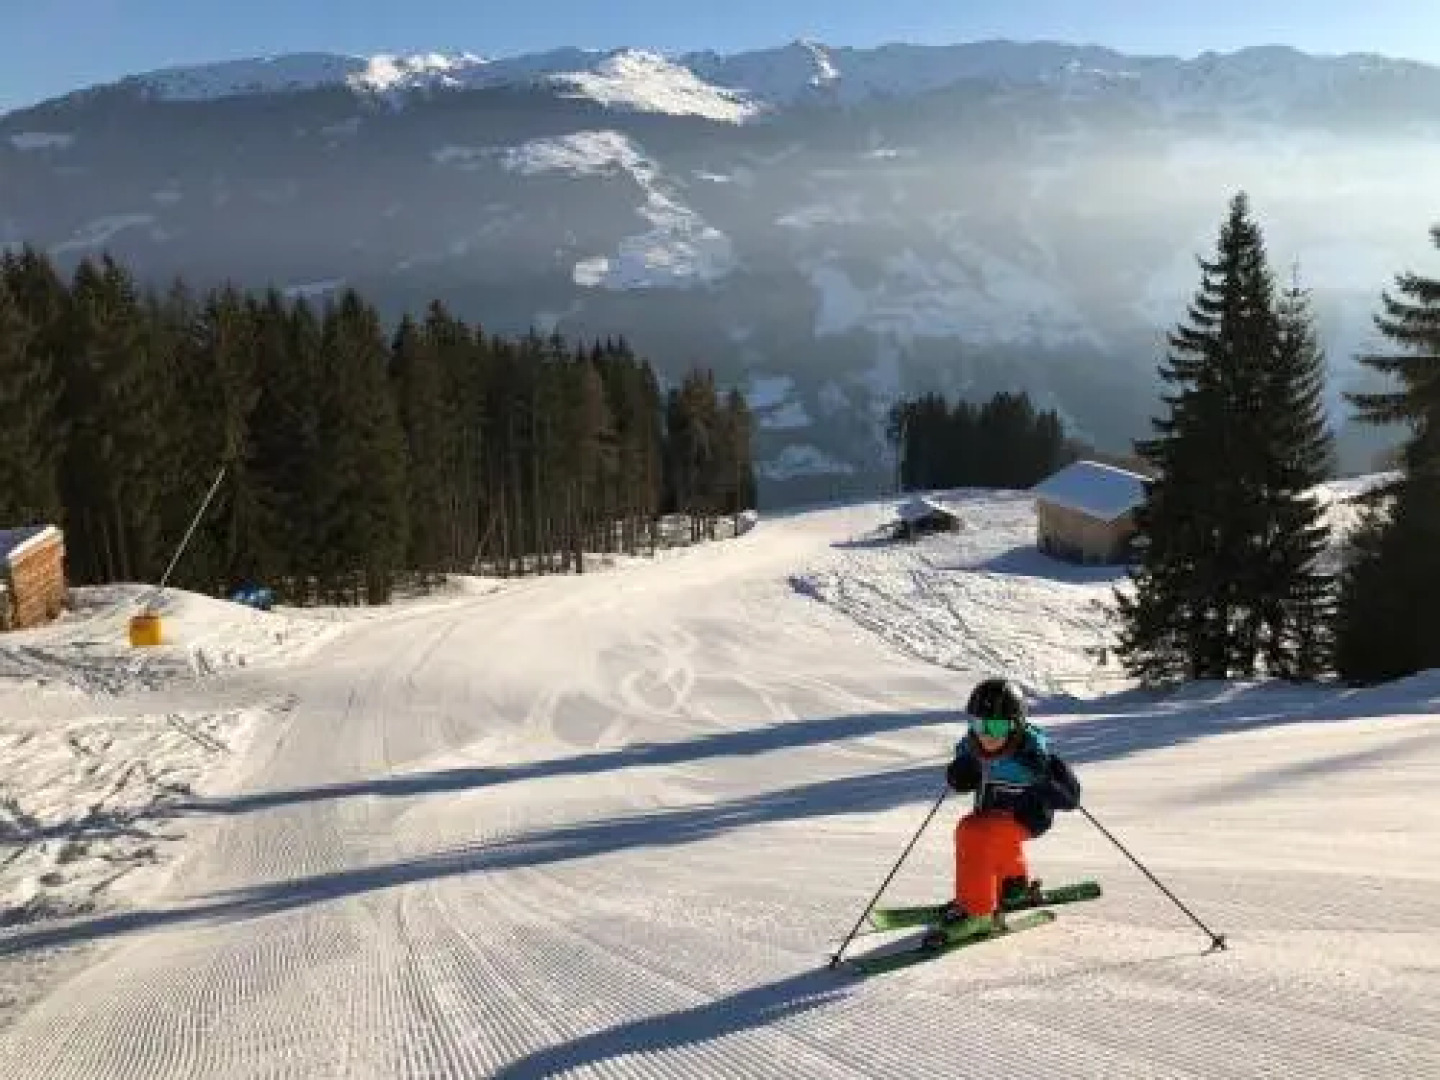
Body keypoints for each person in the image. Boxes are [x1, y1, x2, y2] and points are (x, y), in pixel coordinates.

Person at [925, 677, 1082, 948]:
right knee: (989, 838)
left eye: (996, 726)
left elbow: (1070, 799)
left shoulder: (1033, 754)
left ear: (1015, 724)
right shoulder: (971, 748)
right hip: (992, 813)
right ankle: (1013, 888)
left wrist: (1045, 774)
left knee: (972, 832)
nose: (986, 734)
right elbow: (961, 780)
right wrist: (958, 775)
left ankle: (978, 911)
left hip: (1026, 817)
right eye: (978, 724)